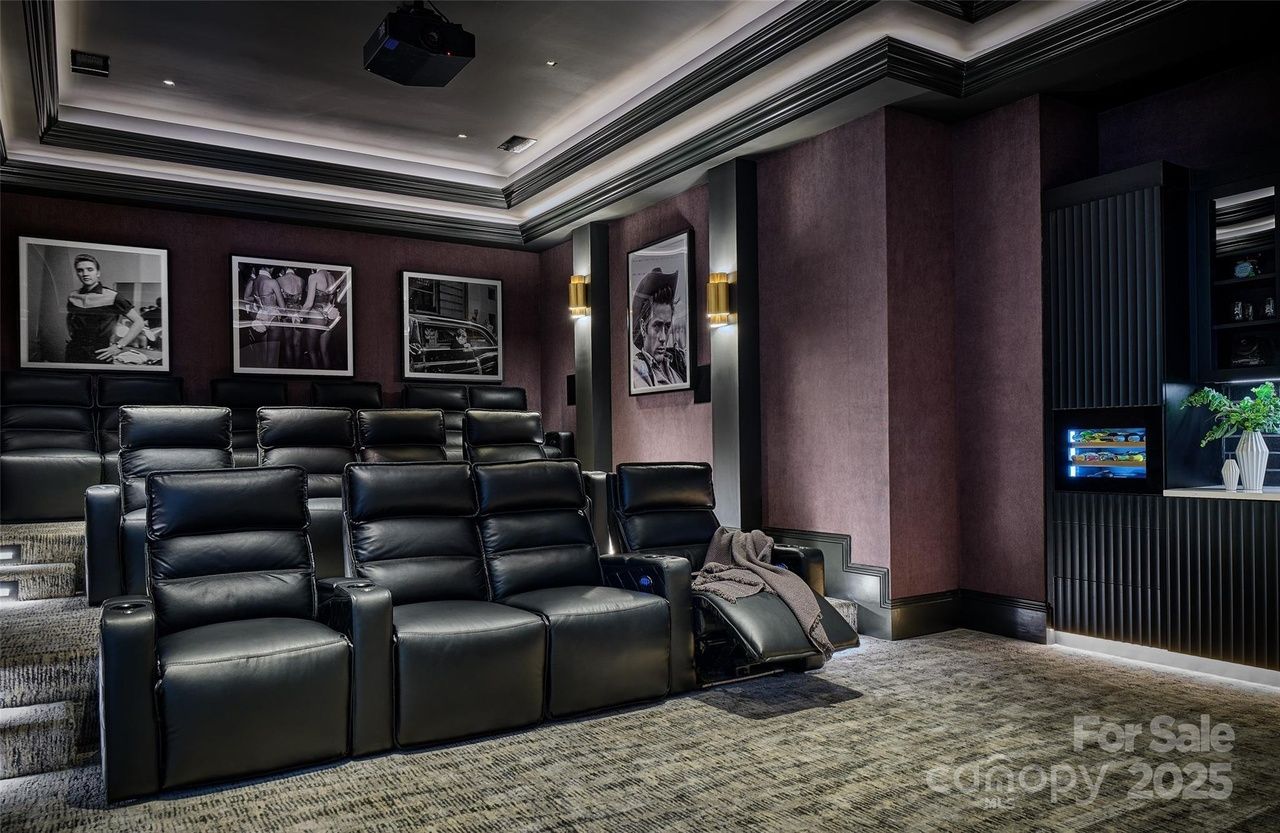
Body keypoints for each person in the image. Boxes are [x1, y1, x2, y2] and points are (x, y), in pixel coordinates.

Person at [64, 254, 146, 364]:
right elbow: (71, 319)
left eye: (90, 269)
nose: (85, 274)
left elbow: (139, 322)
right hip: (73, 352)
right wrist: (71, 335)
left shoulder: (113, 296)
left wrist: (119, 346)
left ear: (98, 273)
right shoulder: (72, 296)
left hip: (100, 354)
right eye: (80, 270)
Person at [631, 268, 687, 388]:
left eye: (667, 327)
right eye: (657, 326)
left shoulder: (677, 363)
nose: (662, 337)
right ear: (643, 326)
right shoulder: (638, 369)